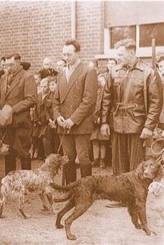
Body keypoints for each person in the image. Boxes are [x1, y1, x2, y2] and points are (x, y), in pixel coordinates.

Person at [100, 38, 163, 176]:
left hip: (138, 127)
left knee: (136, 169)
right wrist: (104, 122)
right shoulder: (114, 72)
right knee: (118, 169)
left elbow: (156, 102)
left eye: (121, 55)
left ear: (132, 52)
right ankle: (119, 197)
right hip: (116, 126)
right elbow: (106, 99)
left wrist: (149, 126)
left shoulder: (148, 72)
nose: (117, 57)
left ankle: (136, 197)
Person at [53, 39, 98, 185]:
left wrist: (73, 119)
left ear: (78, 53)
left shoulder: (88, 71)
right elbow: (55, 101)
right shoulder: (61, 74)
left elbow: (89, 100)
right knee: (67, 158)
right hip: (63, 124)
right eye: (64, 54)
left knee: (83, 158)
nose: (66, 58)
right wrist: (58, 116)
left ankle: (87, 190)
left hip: (80, 124)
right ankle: (70, 190)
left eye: (69, 54)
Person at [0, 53, 37, 174]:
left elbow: (31, 99)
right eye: (6, 65)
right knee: (8, 153)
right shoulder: (3, 78)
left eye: (11, 65)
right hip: (5, 124)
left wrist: (13, 109)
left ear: (19, 63)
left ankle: (26, 182)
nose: (8, 68)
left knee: (23, 153)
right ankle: (9, 182)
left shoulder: (27, 77)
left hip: (20, 123)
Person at [90, 58, 116, 169]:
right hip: (94, 119)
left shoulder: (104, 94)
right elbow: (92, 106)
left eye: (101, 81)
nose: (99, 83)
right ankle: (95, 159)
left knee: (103, 141)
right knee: (95, 140)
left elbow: (105, 106)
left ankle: (102, 160)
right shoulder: (94, 93)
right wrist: (94, 117)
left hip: (103, 119)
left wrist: (101, 117)